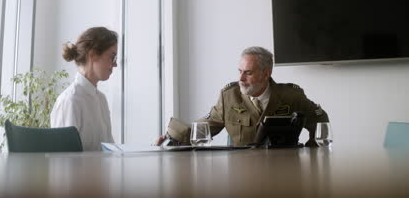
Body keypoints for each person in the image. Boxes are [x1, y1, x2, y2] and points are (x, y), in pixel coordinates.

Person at [157, 46, 329, 147]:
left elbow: (321, 121)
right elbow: (201, 130)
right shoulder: (229, 97)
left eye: (248, 73)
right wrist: (172, 138)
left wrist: (311, 150)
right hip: (241, 175)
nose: (240, 79)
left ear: (266, 73)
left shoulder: (291, 96)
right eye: (240, 72)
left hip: (284, 173)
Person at [51, 27, 118, 151]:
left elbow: (110, 150)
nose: (115, 64)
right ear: (93, 55)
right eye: (112, 57)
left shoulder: (101, 100)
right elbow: (63, 161)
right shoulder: (69, 101)